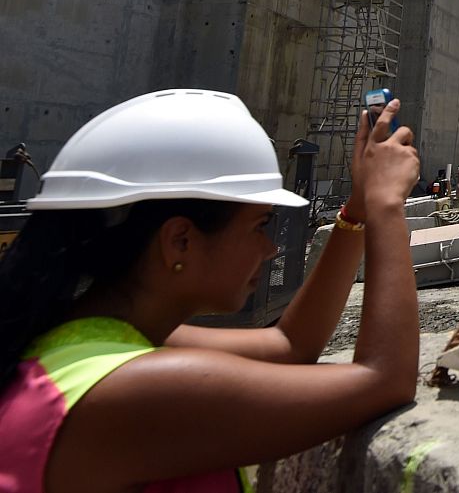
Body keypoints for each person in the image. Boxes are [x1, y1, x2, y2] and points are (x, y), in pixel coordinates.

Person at [0, 88, 420, 492]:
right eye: (258, 225)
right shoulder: (135, 389)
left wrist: (359, 208)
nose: (270, 247)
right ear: (180, 240)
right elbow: (384, 380)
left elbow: (290, 346)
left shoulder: (90, 343)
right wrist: (387, 203)